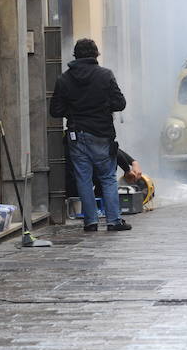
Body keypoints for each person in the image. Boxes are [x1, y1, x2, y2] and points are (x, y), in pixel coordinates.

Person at [50, 38, 130, 232]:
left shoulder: (64, 79)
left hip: (77, 135)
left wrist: (74, 110)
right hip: (102, 134)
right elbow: (120, 103)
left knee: (83, 178)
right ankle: (113, 221)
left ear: (75, 56)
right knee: (108, 178)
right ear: (95, 55)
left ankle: (91, 221)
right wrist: (102, 107)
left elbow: (55, 110)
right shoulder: (105, 75)